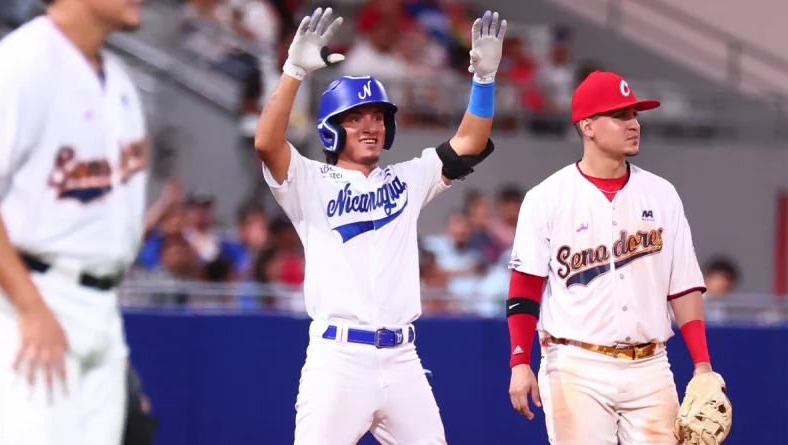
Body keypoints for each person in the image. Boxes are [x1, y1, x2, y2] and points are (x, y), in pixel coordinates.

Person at [254, 6, 506, 444]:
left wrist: (483, 82)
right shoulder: (310, 180)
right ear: (333, 128)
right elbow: (266, 142)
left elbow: (470, 142)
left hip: (403, 358)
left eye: (377, 116)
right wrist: (294, 70)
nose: (370, 125)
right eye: (356, 117)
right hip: (338, 357)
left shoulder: (407, 177)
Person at [504, 71, 731, 444]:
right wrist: (519, 361)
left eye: (635, 115)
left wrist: (702, 365)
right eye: (621, 115)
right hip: (576, 365)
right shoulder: (548, 197)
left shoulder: (661, 194)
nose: (634, 124)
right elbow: (525, 286)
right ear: (588, 126)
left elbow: (684, 286)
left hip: (651, 365)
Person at [0, 0, 148, 444]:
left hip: (98, 305)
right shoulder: (19, 65)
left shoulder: (117, 78)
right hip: (30, 296)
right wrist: (30, 307)